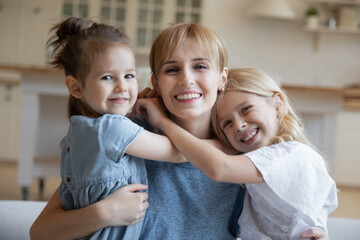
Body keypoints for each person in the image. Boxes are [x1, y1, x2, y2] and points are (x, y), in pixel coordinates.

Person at [30, 23, 329, 240]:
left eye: (200, 66)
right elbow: (41, 230)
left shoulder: (243, 146)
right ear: (157, 81)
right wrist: (102, 214)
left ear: (221, 77)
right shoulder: (131, 138)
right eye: (172, 70)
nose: (186, 79)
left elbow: (289, 209)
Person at [135, 67, 338, 239]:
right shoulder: (252, 164)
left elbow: (219, 167)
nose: (239, 125)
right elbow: (206, 150)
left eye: (246, 109)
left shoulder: (291, 155)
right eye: (227, 123)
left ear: (277, 104)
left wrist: (163, 122)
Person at [39, 17, 185, 239]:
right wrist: (222, 143)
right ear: (76, 87)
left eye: (129, 76)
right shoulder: (114, 129)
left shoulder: (75, 136)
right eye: (107, 77)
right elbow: (179, 152)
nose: (122, 87)